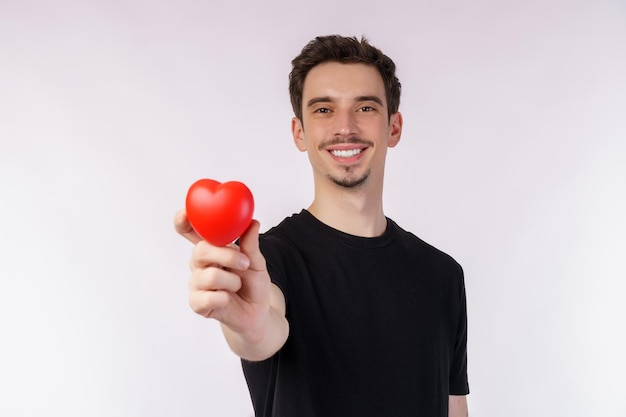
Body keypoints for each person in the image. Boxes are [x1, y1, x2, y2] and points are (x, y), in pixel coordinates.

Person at [174, 35, 469, 417]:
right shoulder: (269, 260)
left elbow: (454, 407)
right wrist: (247, 323)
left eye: (364, 107)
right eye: (324, 110)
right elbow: (263, 327)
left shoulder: (442, 274)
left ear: (393, 127)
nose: (345, 127)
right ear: (300, 133)